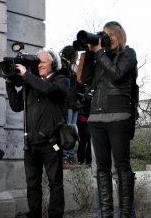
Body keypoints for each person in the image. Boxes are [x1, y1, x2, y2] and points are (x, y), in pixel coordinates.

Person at [81, 21, 137, 218]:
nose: (106, 38)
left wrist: (99, 53)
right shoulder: (98, 56)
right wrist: (90, 52)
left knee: (122, 168)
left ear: (119, 36)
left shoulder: (128, 54)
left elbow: (117, 75)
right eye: (104, 34)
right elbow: (85, 79)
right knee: (102, 169)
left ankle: (126, 214)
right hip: (96, 118)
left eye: (110, 34)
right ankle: (106, 214)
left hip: (118, 116)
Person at [6, 49, 69, 218]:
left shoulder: (61, 80)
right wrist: (10, 84)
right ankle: (34, 214)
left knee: (55, 184)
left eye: (42, 62)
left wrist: (27, 75)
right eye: (37, 62)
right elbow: (16, 105)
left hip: (51, 143)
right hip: (31, 143)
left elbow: (50, 90)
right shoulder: (31, 83)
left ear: (53, 64)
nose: (38, 65)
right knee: (32, 185)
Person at [59, 45, 80, 168]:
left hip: (73, 102)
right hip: (67, 103)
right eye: (75, 56)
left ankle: (70, 156)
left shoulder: (70, 67)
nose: (76, 58)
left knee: (72, 129)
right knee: (67, 130)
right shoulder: (62, 65)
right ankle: (66, 157)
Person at [76, 82, 92, 166]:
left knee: (88, 140)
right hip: (82, 117)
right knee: (83, 140)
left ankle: (87, 160)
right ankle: (81, 160)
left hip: (89, 118)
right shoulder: (79, 87)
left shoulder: (91, 86)